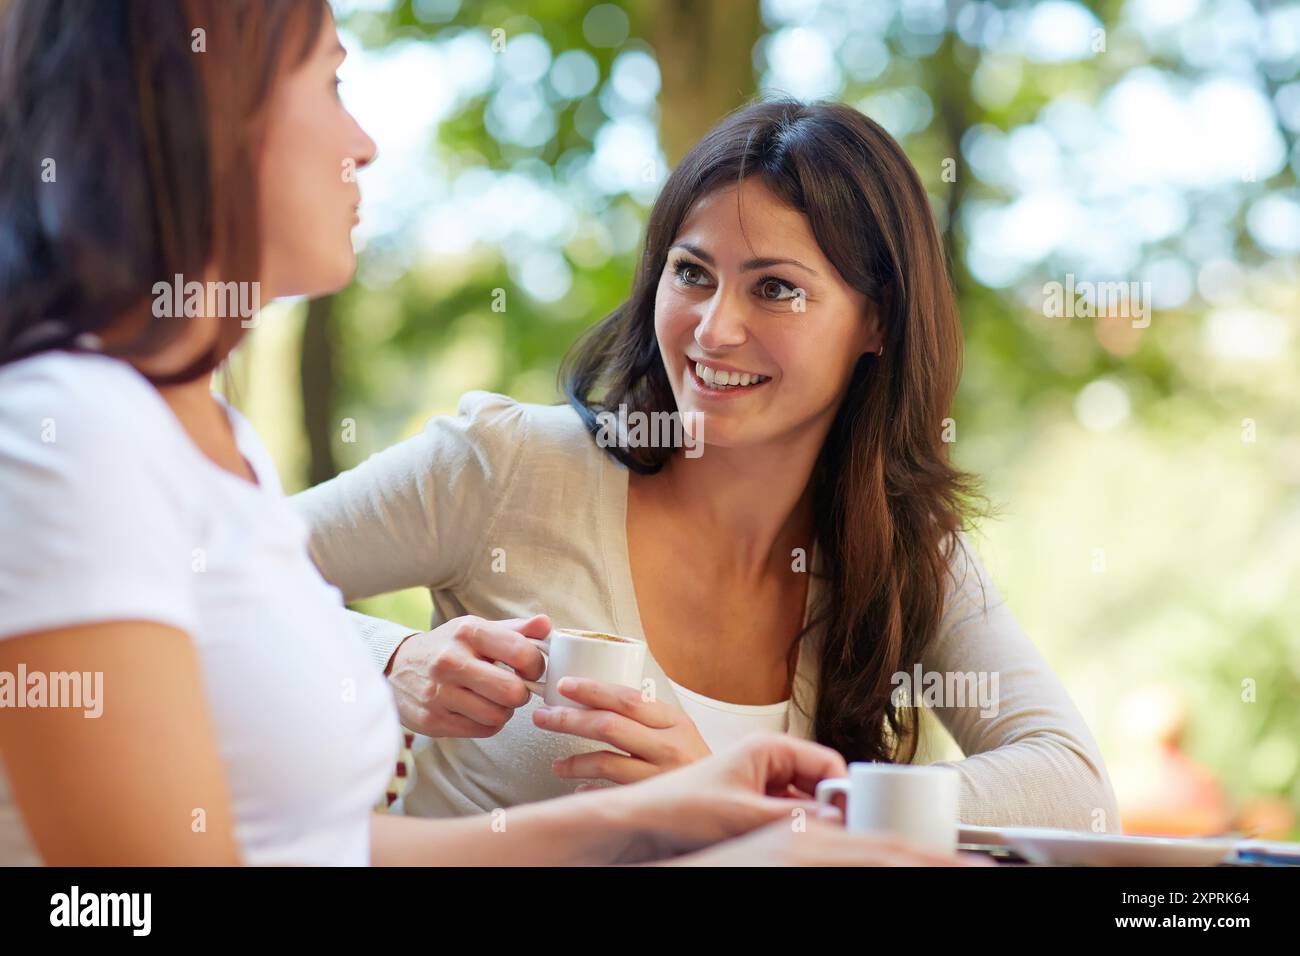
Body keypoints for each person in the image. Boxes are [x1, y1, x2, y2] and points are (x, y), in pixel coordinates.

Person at [0, 0, 965, 867]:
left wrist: (676, 814)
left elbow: (324, 851)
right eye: (331, 83)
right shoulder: (72, 436)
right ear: (193, 110)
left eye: (777, 288)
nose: (366, 141)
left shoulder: (211, 443)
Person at [295, 100, 1120, 831]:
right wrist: (387, 661)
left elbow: (1072, 787)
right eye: (691, 274)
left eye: (775, 290)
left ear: (878, 323)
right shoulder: (506, 467)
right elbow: (197, 569)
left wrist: (769, 809)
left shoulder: (903, 551)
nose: (713, 330)